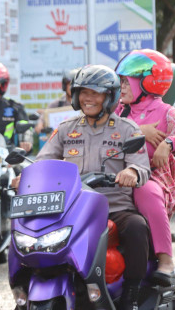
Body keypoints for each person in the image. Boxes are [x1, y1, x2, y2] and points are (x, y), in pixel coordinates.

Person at [20, 65, 151, 309]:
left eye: (96, 93)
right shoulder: (66, 129)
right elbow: (43, 161)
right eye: (83, 93)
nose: (88, 98)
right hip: (73, 208)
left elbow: (141, 167)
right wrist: (25, 177)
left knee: (137, 227)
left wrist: (131, 172)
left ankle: (131, 294)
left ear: (109, 96)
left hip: (113, 206)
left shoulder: (127, 129)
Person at [114, 49, 175, 287]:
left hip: (151, 178)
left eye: (126, 81)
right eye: (120, 81)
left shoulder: (167, 112)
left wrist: (169, 142)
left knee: (147, 191)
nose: (121, 87)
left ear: (148, 81)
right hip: (113, 176)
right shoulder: (117, 111)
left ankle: (166, 261)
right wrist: (139, 132)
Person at [34, 67, 80, 133]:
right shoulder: (57, 104)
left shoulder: (84, 103)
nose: (73, 88)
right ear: (65, 86)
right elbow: (43, 120)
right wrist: (40, 126)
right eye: (70, 84)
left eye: (76, 85)